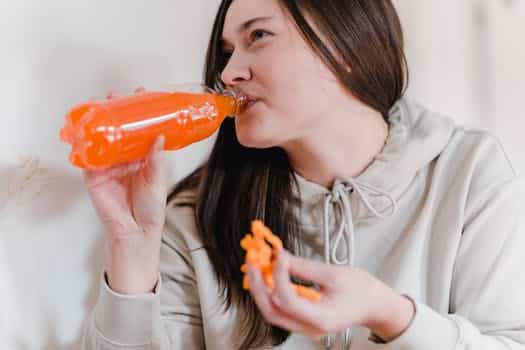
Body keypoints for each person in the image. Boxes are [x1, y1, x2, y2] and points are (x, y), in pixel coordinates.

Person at [81, 0, 525, 349]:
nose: (229, 73)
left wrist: (389, 315)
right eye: (226, 52)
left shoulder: (469, 175)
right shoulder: (194, 215)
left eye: (258, 35)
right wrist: (132, 254)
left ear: (345, 47)